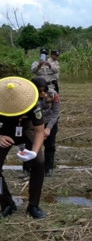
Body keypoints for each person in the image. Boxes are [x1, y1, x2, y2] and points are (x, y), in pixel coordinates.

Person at [0, 76, 47, 219]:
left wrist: (33, 152)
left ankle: (33, 205)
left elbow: (39, 131)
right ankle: (7, 203)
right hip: (4, 131)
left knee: (39, 163)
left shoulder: (33, 104)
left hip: (27, 129)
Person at [31, 77, 60, 177]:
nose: (42, 92)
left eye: (44, 89)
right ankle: (27, 169)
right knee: (31, 145)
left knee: (50, 145)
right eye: (40, 90)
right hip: (34, 122)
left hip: (49, 121)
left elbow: (56, 113)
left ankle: (49, 168)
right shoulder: (29, 96)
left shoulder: (53, 94)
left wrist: (49, 128)